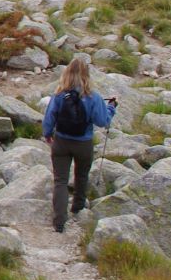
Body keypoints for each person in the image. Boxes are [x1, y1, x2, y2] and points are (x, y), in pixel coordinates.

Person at [42, 55, 116, 233]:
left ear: (67, 72)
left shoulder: (59, 94)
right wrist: (112, 107)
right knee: (81, 176)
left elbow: (49, 117)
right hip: (83, 143)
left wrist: (47, 135)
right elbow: (102, 121)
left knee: (60, 180)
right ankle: (77, 208)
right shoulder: (94, 97)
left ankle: (59, 221)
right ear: (86, 75)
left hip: (61, 141)